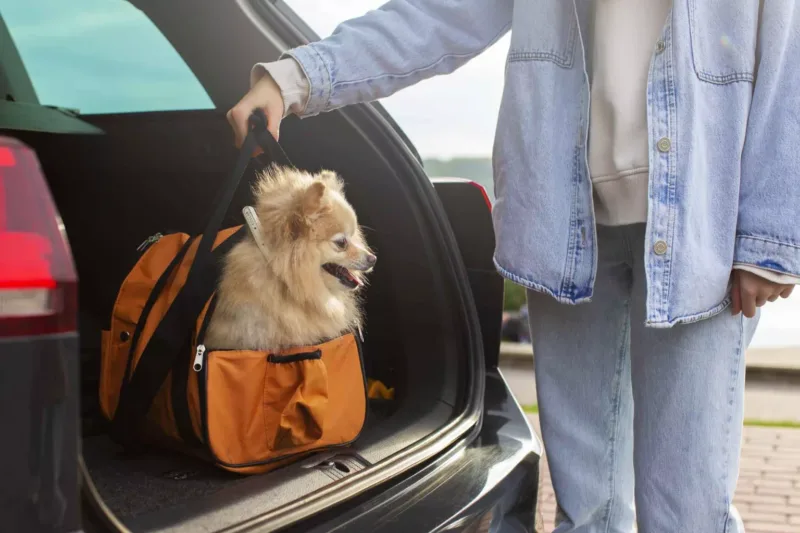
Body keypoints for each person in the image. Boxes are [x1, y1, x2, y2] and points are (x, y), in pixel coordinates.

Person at [228, 1, 799, 531]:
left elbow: (787, 49)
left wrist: (770, 237)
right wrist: (297, 76)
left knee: (687, 515)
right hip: (565, 227)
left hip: (702, 230)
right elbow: (440, 14)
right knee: (587, 513)